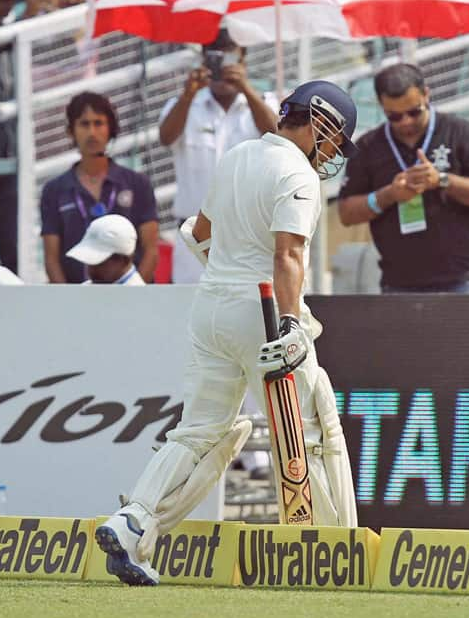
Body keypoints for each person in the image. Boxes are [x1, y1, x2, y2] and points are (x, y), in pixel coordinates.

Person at [94, 80, 360, 586]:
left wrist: (230, 276)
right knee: (312, 429)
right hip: (261, 314)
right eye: (335, 140)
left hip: (210, 307)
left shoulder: (238, 154)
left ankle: (132, 522)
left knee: (196, 432)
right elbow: (288, 254)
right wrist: (288, 325)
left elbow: (199, 232)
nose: (331, 154)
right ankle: (336, 555)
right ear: (322, 122)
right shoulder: (299, 174)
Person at [338, 63, 469, 294]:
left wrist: (442, 180)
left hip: (463, 278)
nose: (405, 121)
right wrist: (389, 195)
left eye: (414, 112)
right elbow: (346, 213)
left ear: (426, 94)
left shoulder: (459, 131)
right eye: (394, 116)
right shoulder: (369, 146)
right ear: (381, 105)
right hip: (399, 282)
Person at [158, 29, 278, 284]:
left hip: (247, 238)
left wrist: (245, 87)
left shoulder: (262, 104)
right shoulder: (184, 105)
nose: (222, 67)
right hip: (194, 236)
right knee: (188, 312)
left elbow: (279, 135)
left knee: (246, 314)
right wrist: (188, 94)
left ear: (243, 62)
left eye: (230, 59)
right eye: (215, 59)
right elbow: (166, 137)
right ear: (204, 61)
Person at [39, 91, 158, 284]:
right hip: (78, 300)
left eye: (99, 123)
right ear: (71, 131)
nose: (92, 132)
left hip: (131, 297)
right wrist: (69, 303)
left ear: (110, 128)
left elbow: (151, 249)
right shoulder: (54, 190)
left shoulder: (138, 184)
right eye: (84, 124)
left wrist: (136, 295)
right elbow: (51, 259)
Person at [66, 214, 145, 285]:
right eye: (88, 261)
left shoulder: (141, 299)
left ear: (125, 260)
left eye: (99, 263)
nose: (91, 270)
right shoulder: (84, 289)